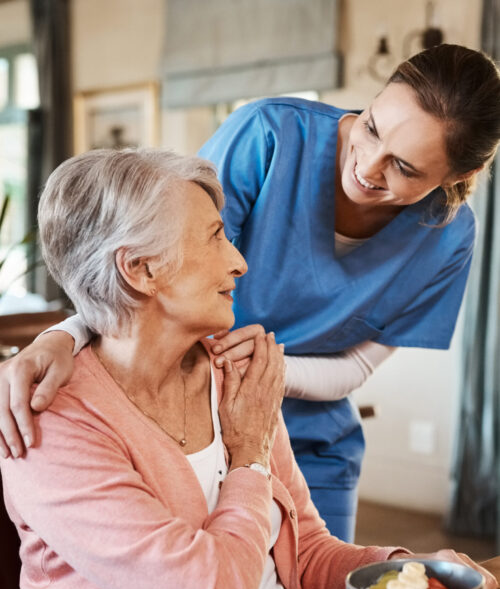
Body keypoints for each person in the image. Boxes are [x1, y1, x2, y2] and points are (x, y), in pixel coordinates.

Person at [0, 148, 496, 589]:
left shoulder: (235, 377)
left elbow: (306, 558)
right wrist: (250, 457)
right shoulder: (49, 420)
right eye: (216, 237)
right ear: (141, 270)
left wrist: (406, 570)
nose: (239, 262)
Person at [1, 44, 500, 543]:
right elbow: (147, 263)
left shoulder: (448, 238)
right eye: (370, 127)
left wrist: (267, 375)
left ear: (458, 177)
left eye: (405, 168)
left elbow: (357, 368)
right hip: (189, 422)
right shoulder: (269, 136)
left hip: (311, 441)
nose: (368, 168)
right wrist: (62, 337)